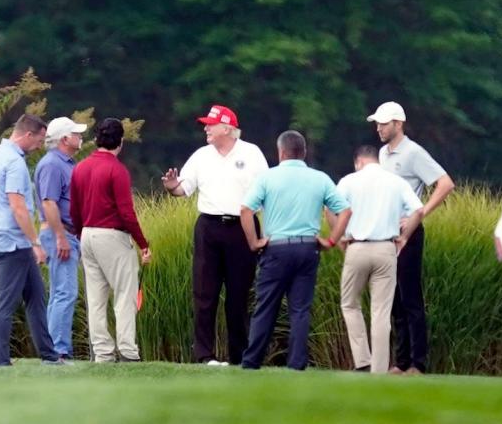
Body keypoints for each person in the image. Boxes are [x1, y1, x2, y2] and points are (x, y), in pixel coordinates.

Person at [161, 104, 268, 366]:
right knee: (204, 293)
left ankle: (240, 356)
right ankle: (204, 355)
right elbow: (182, 190)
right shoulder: (201, 156)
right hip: (209, 227)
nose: (206, 129)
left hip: (242, 228)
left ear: (228, 128)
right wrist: (172, 186)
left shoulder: (251, 153)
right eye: (206, 124)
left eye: (211, 124)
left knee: (239, 295)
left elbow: (267, 193)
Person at [240, 130, 351, 371]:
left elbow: (246, 210)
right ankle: (297, 363)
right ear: (304, 152)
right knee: (300, 309)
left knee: (266, 305)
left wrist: (254, 242)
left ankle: (252, 361)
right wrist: (331, 240)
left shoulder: (267, 178)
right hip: (307, 248)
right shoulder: (319, 178)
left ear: (280, 152)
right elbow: (345, 211)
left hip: (276, 248)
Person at [368, 101, 455, 374]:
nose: (379, 128)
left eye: (384, 123)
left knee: (410, 299)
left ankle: (418, 363)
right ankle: (400, 361)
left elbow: (445, 183)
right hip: (387, 233)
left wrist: (420, 213)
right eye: (377, 123)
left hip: (409, 232)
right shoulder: (382, 154)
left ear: (398, 124)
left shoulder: (414, 152)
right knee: (393, 299)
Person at [335, 145, 424, 373]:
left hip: (356, 247)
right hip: (387, 248)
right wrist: (404, 237)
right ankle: (379, 368)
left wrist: (340, 236)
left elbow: (331, 207)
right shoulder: (396, 182)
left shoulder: (348, 181)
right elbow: (419, 210)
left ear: (359, 162)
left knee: (350, 303)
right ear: (376, 160)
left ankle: (362, 359)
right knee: (381, 312)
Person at [0, 113, 63, 367]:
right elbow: (17, 207)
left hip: (10, 239)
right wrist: (36, 243)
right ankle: (1, 362)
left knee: (37, 297)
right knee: (6, 303)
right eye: (39, 140)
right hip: (14, 242)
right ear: (27, 135)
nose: (40, 146)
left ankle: (50, 356)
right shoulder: (15, 163)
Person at [70, 118, 152, 363]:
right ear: (121, 142)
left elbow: (74, 209)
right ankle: (127, 350)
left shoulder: (80, 168)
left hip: (87, 234)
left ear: (96, 140)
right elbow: (127, 213)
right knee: (124, 295)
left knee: (95, 298)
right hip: (113, 236)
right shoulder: (117, 170)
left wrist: (79, 232)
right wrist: (143, 242)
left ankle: (103, 353)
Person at [35, 115, 87, 360]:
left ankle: (55, 348)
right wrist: (60, 237)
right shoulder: (52, 164)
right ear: (65, 139)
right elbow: (48, 202)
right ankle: (58, 349)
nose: (80, 137)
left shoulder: (66, 163)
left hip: (66, 233)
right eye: (76, 134)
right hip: (60, 234)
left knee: (60, 292)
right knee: (65, 292)